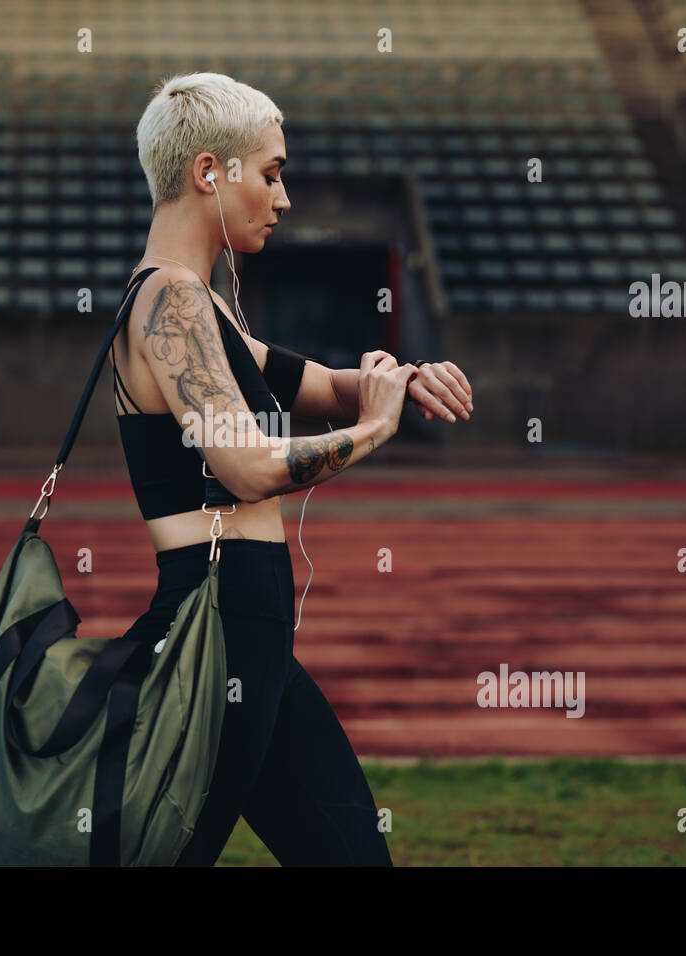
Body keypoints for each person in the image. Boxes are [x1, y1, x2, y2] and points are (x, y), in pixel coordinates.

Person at [111, 72, 473, 866]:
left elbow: (325, 386)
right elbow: (247, 467)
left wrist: (400, 383)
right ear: (211, 173)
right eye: (270, 174)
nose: (282, 199)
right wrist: (380, 429)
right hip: (215, 639)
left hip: (253, 642)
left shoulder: (205, 311)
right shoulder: (170, 303)